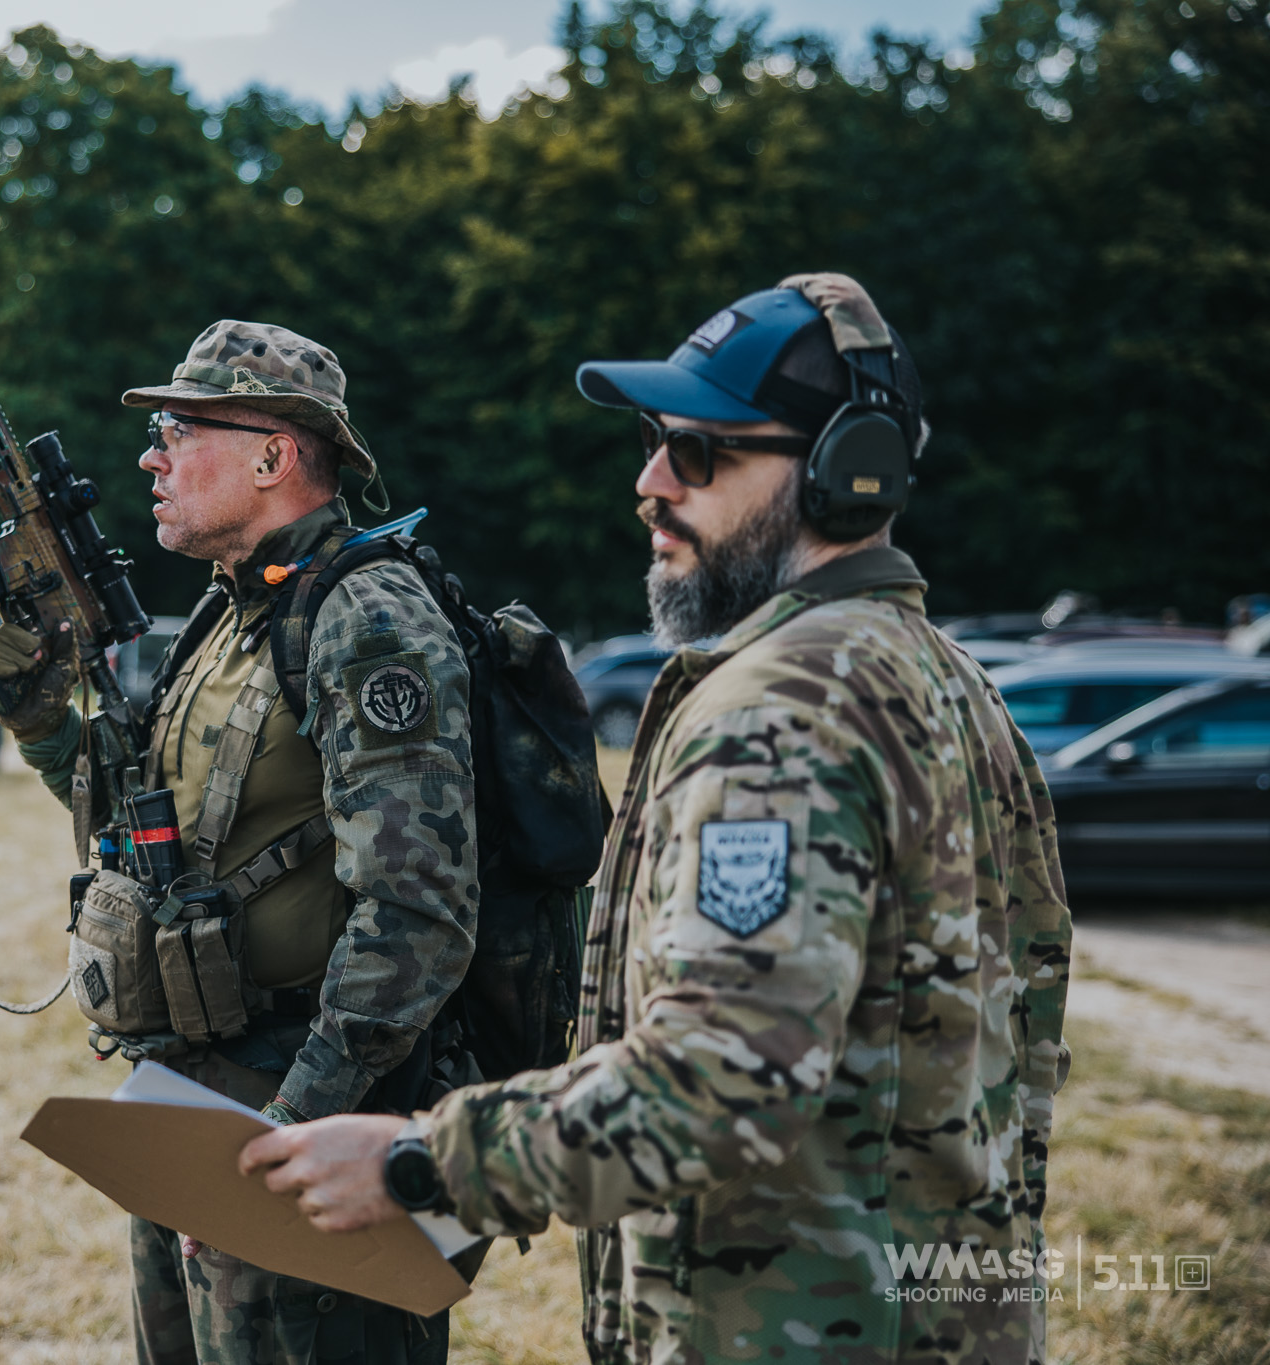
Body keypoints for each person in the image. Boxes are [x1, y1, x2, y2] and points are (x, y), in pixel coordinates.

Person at [237, 276, 1075, 1364]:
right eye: (649, 439)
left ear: (839, 472)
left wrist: (416, 1162)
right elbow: (1028, 1037)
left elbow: (720, 1077)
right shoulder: (949, 680)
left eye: (695, 451)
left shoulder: (780, 711)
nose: (647, 482)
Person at [0, 321, 481, 1364]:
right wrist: (39, 721)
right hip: (196, 1105)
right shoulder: (230, 615)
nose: (149, 457)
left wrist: (287, 1136)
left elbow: (418, 914)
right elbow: (155, 838)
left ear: (272, 455)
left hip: (306, 1122)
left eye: (177, 428)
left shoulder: (364, 616)